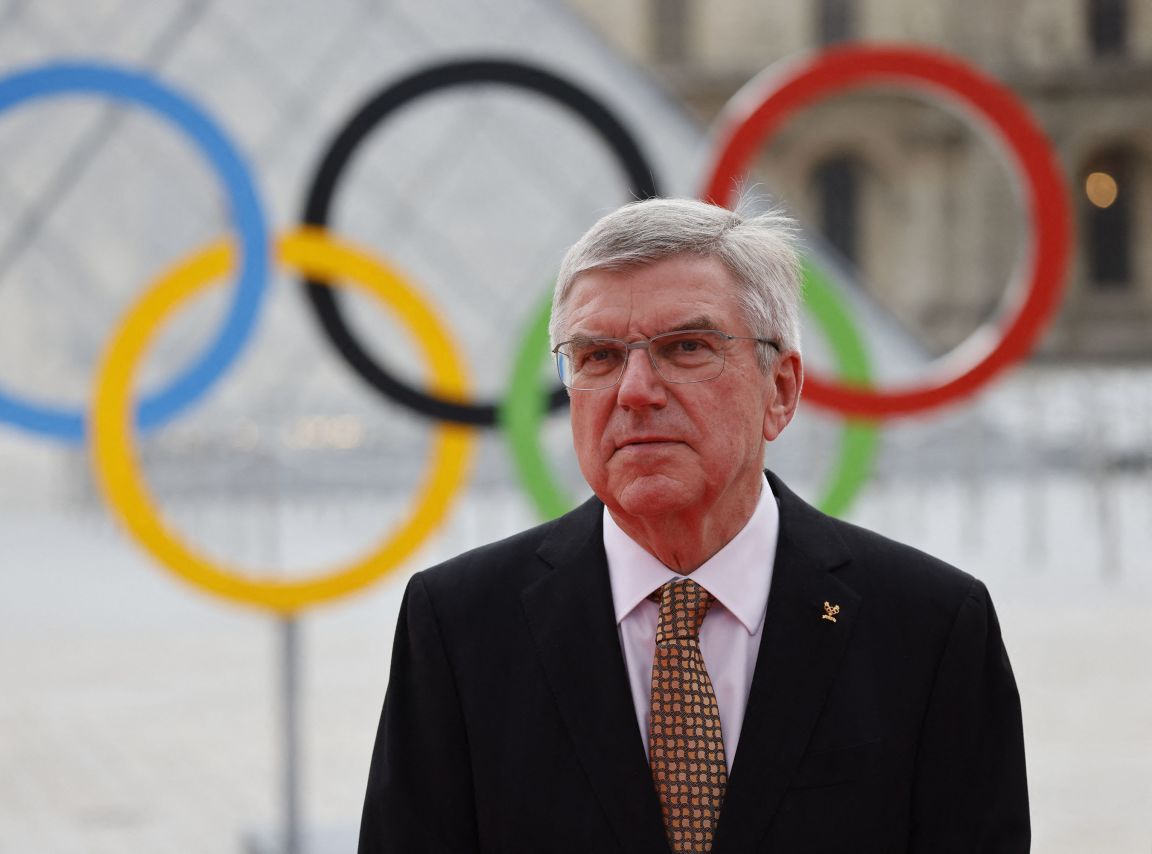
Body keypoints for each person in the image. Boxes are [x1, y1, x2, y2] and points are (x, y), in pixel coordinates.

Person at [358, 198, 1028, 853]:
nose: (635, 390)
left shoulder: (931, 627)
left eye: (685, 347)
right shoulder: (459, 627)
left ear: (781, 390)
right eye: (598, 357)